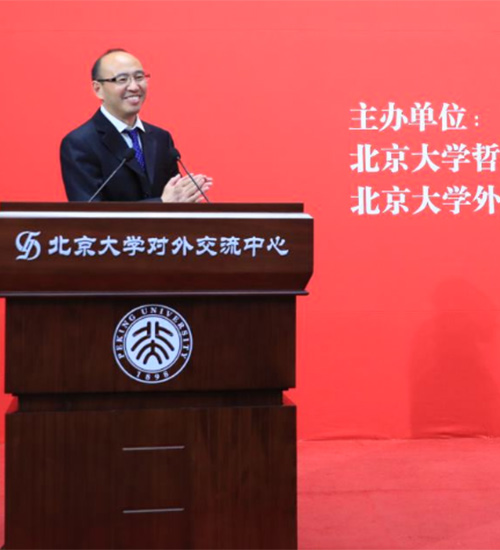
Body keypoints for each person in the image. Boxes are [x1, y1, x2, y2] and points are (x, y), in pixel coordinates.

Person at [60, 49, 212, 202]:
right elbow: (89, 211)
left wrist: (187, 199)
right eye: (122, 79)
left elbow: (175, 198)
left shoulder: (161, 138)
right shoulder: (80, 143)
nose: (134, 87)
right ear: (98, 89)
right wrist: (161, 204)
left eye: (139, 77)